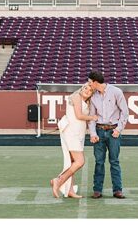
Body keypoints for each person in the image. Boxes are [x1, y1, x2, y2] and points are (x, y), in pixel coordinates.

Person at [50, 83, 99, 199]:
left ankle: (70, 190)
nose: (87, 90)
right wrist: (93, 117)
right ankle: (59, 180)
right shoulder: (76, 96)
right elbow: (79, 116)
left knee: (72, 162)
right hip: (71, 132)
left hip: (78, 134)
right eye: (85, 88)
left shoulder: (87, 102)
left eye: (90, 90)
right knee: (80, 161)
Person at [87, 71, 128, 199]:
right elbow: (92, 117)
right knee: (99, 162)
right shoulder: (93, 96)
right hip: (99, 131)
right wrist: (93, 133)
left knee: (114, 161)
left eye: (89, 82)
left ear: (95, 82)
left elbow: (125, 112)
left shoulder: (116, 92)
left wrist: (119, 129)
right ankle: (97, 190)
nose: (88, 84)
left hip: (113, 131)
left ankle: (117, 190)